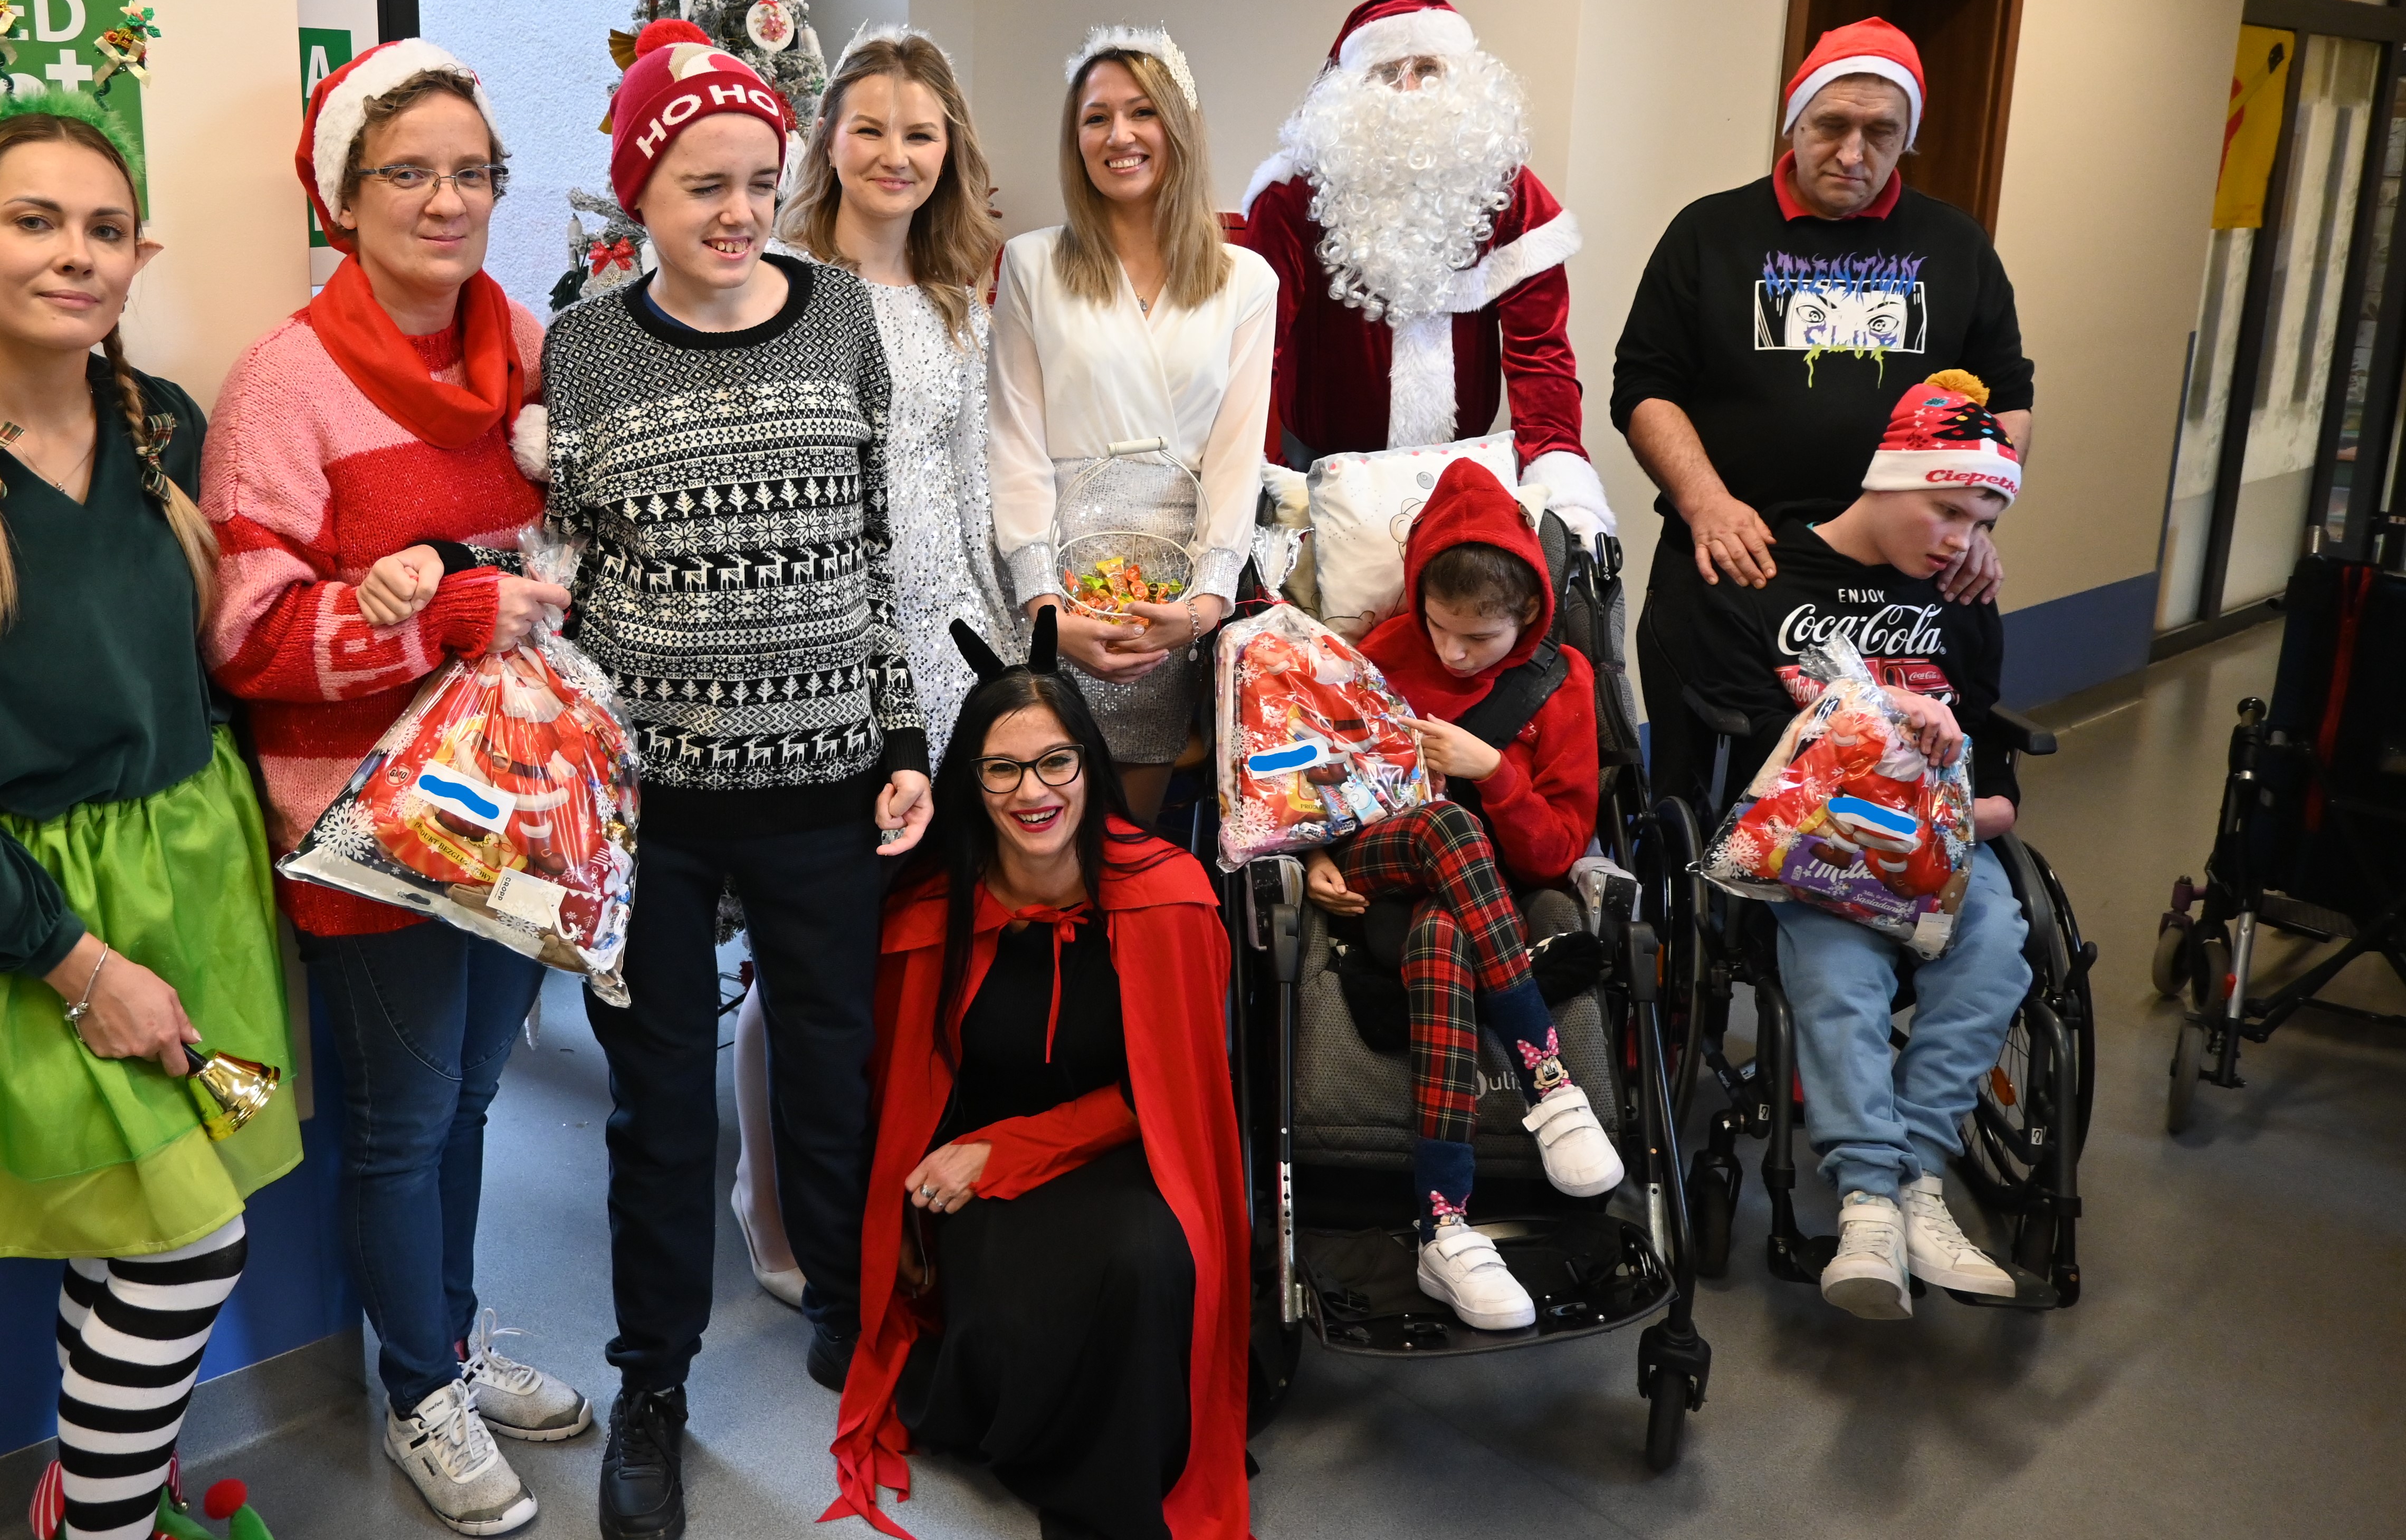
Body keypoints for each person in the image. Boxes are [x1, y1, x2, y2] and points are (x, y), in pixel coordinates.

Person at [0, 91, 298, 1540]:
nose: (76, 253)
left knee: (130, 1230)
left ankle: (82, 1505)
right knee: (188, 1247)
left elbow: (221, 659)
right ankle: (104, 1529)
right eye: (34, 220)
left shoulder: (167, 429)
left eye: (105, 228)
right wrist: (81, 967)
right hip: (28, 933)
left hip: (195, 891)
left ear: (141, 257)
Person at [542, 19, 933, 1540]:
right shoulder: (586, 350)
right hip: (652, 809)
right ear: (639, 192)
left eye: (760, 182)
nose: (737, 214)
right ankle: (653, 1386)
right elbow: (565, 578)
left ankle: (848, 1315)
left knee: (832, 1076)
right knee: (658, 1109)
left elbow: (875, 548)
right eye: (702, 185)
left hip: (826, 784)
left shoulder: (840, 319)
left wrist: (900, 737)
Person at [201, 39, 588, 1534]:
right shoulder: (282, 384)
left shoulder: (526, 351)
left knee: (474, 1100)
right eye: (409, 173)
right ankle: (418, 1391)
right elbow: (248, 638)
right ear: (343, 197)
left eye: (471, 172)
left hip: (513, 815)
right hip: (370, 836)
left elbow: (564, 552)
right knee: (403, 1126)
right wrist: (440, 617)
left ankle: (452, 1346)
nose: (446, 200)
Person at [828, 613, 1249, 1540]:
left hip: (1127, 1154)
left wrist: (1014, 1148)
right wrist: (896, 1216)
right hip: (973, 1181)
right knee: (1023, 1300)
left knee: (1145, 1260)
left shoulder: (1169, 900)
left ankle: (1111, 1508)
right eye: (1003, 769)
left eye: (1056, 761)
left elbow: (1175, 1097)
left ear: (1089, 766)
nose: (1033, 791)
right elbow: (895, 1099)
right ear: (970, 782)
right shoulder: (929, 914)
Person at [730, 24, 1014, 1311]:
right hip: (822, 665)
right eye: (871, 129)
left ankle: (888, 1193)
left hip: (943, 667)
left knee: (905, 950)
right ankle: (770, 1201)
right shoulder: (778, 283)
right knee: (801, 958)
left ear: (947, 150)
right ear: (828, 142)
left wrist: (999, 656)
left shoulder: (958, 299)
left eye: (920, 133)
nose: (896, 154)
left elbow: (965, 493)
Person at [1653, 371, 2033, 1319]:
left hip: (1937, 842)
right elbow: (1743, 739)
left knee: (1995, 948)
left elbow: (1988, 739)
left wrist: (1984, 804)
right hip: (1811, 849)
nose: (1963, 542)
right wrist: (1874, 710)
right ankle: (1867, 1201)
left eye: (1984, 523)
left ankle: (1915, 1186)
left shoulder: (1959, 592)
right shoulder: (1760, 575)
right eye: (1949, 511)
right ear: (1888, 480)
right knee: (1838, 968)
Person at [1612, 17, 2034, 804]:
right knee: (1706, 790)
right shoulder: (1710, 233)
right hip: (1739, 568)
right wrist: (1706, 502)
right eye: (1831, 125)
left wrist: (1972, 520)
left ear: (1908, 136)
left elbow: (2007, 397)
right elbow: (1644, 386)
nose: (1852, 153)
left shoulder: (1957, 246)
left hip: (1898, 582)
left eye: (1881, 132)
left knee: (1888, 783)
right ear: (1794, 122)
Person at [1298, 460, 1622, 1329]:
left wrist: (1494, 772)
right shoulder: (1378, 654)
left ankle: (1442, 1228)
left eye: (1478, 638)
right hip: (1378, 865)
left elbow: (1556, 853)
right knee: (1446, 825)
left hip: (1479, 902)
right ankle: (1546, 1076)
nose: (1450, 653)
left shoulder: (1562, 681)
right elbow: (1317, 778)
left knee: (1443, 931)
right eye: (1438, 628)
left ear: (1527, 615)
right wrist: (1315, 852)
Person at [990, 25, 1278, 823]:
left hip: (1174, 596)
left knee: (1124, 844)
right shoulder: (1032, 264)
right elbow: (1012, 440)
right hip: (1053, 583)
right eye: (1096, 117)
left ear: (1178, 125)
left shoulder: (1246, 280)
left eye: (1142, 111)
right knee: (1037, 824)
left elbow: (1237, 454)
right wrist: (1045, 609)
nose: (1119, 135)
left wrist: (1202, 606)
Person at [1237, 0, 1611, 533]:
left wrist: (1561, 476)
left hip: (1464, 480)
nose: (1409, 90)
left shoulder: (1510, 195)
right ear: (1349, 91)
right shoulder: (1293, 195)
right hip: (1318, 480)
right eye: (1388, 72)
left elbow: (1541, 359)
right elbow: (1250, 353)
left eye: (1429, 70)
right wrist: (1246, 477)